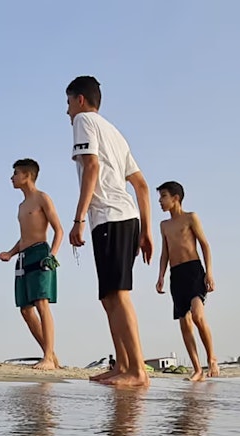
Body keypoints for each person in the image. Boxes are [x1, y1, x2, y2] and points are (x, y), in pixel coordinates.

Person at [65, 75, 154, 386]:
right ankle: (122, 365)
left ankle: (137, 370)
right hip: (125, 219)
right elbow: (141, 185)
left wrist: (77, 219)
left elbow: (91, 167)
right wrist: (146, 230)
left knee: (118, 294)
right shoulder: (115, 133)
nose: (66, 112)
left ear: (79, 100)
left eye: (67, 103)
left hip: (111, 217)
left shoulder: (84, 121)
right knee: (108, 297)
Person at [0, 159, 63, 370]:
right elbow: (24, 237)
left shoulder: (42, 198)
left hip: (41, 253)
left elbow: (58, 230)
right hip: (23, 257)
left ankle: (47, 358)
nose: (12, 177)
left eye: (15, 173)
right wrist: (10, 252)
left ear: (27, 175)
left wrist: (52, 255)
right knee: (25, 310)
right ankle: (51, 355)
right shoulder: (21, 206)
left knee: (41, 303)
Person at [155, 181, 219, 381]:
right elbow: (164, 252)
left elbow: (205, 245)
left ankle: (212, 359)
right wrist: (161, 276)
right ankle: (197, 369)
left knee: (198, 316)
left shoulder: (191, 218)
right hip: (177, 274)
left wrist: (209, 273)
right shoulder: (164, 225)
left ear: (176, 198)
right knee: (184, 323)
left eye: (163, 196)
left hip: (193, 270)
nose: (160, 201)